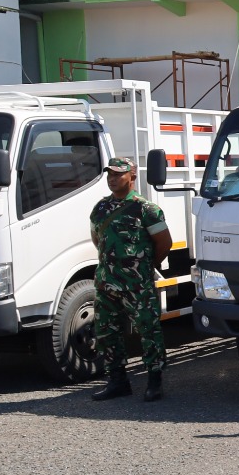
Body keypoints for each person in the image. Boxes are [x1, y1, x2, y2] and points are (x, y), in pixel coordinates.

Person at [89, 157, 173, 402]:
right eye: (110, 175)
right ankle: (118, 381)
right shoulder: (100, 208)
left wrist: (143, 267)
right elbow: (97, 240)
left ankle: (154, 381)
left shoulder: (146, 209)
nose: (112, 179)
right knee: (107, 331)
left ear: (132, 177)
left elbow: (164, 243)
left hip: (137, 283)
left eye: (118, 174)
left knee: (148, 330)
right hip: (106, 282)